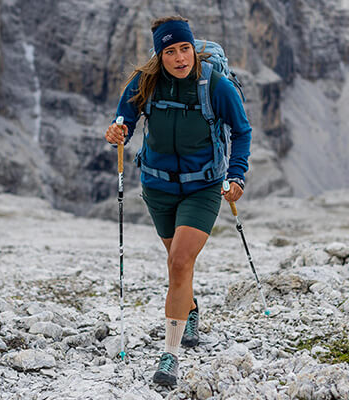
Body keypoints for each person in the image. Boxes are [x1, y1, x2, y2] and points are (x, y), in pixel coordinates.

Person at [104, 15, 252, 387]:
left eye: (185, 48)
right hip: (157, 188)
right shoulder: (145, 82)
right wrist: (117, 130)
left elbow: (242, 130)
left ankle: (169, 356)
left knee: (179, 261)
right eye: (171, 51)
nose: (181, 57)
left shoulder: (215, 85)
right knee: (177, 264)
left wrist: (236, 175)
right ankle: (192, 308)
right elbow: (125, 117)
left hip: (203, 187)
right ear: (160, 54)